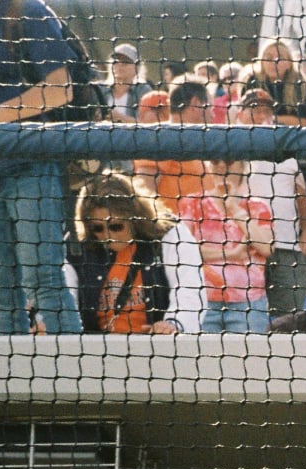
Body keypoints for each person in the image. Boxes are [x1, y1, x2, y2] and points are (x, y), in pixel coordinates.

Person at [0, 0, 84, 334]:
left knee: (43, 277)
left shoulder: (30, 12)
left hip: (31, 165)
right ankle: (8, 379)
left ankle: (75, 377)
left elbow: (59, 89)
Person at [70, 173, 205, 334]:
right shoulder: (77, 247)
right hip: (94, 348)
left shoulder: (169, 233)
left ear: (133, 218)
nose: (107, 235)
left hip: (156, 346)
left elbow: (189, 289)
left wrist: (173, 324)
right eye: (97, 228)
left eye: (116, 226)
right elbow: (63, 293)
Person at [235, 89, 306, 317]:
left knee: (288, 318)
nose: (262, 115)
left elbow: (301, 195)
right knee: (247, 317)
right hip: (245, 247)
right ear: (240, 114)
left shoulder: (286, 150)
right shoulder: (230, 148)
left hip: (286, 247)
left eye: (266, 110)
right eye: (255, 110)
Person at [177, 159, 273, 333]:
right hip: (202, 301)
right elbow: (184, 250)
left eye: (229, 161)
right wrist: (232, 254)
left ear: (243, 165)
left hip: (248, 302)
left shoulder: (258, 206)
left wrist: (234, 209)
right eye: (215, 161)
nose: (221, 165)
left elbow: (266, 247)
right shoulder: (192, 203)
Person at [133, 80, 214, 217]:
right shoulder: (162, 136)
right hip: (175, 232)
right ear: (196, 104)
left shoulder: (192, 139)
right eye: (210, 107)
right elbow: (145, 188)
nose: (212, 114)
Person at [244, 40, 306, 127]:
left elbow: (305, 122)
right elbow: (244, 116)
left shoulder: (299, 84)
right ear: (262, 62)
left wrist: (273, 119)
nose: (274, 62)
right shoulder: (252, 81)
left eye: (280, 58)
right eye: (269, 58)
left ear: (289, 63)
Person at [105, 42, 153, 124]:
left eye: (125, 62)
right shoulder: (100, 89)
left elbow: (147, 125)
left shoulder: (143, 91)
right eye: (116, 61)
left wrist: (119, 117)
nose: (119, 65)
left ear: (137, 68)